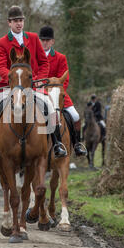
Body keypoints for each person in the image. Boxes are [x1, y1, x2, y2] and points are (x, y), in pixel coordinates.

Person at [0, 6, 67, 159]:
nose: (18, 24)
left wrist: (37, 80)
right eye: (15, 21)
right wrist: (12, 79)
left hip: (32, 84)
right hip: (10, 84)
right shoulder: (2, 42)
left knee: (50, 105)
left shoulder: (33, 38)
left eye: (20, 20)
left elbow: (44, 63)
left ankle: (57, 143)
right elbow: (0, 66)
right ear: (9, 23)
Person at [38, 26, 87, 157]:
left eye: (47, 40)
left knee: (75, 116)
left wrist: (56, 93)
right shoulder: (34, 58)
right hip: (39, 95)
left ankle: (77, 144)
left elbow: (65, 79)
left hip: (58, 95)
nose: (45, 42)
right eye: (42, 40)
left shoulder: (60, 58)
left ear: (53, 41)